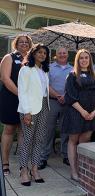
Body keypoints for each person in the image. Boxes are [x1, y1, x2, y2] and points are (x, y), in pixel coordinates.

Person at [62, 49, 95, 181]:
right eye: (81, 58)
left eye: (86, 57)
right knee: (73, 141)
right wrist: (83, 111)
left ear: (90, 60)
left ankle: (82, 169)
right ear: (77, 60)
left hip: (91, 113)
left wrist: (94, 111)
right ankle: (74, 171)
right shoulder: (72, 75)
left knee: (84, 142)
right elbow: (70, 96)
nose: (84, 60)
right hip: (76, 112)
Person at [18, 43, 50, 186]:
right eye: (40, 52)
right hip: (29, 109)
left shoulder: (44, 70)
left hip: (44, 107)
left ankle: (35, 169)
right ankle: (23, 170)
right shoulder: (26, 70)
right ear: (33, 53)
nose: (42, 55)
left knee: (39, 140)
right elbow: (22, 92)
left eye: (45, 53)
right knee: (27, 140)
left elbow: (44, 91)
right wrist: (27, 112)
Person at [0, 35, 33, 175]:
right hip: (11, 97)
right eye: (21, 42)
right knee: (9, 128)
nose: (24, 44)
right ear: (16, 44)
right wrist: (21, 94)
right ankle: (5, 163)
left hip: (28, 99)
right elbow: (5, 79)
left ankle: (23, 165)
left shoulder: (32, 59)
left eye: (26, 42)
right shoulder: (9, 57)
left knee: (23, 130)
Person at [39, 47, 73, 170]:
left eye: (64, 53)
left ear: (67, 54)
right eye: (60, 53)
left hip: (68, 103)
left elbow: (73, 85)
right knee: (48, 130)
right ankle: (43, 157)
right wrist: (57, 95)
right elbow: (45, 84)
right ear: (56, 55)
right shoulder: (49, 67)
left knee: (65, 130)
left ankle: (65, 155)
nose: (62, 55)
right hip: (52, 101)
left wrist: (65, 96)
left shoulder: (73, 68)